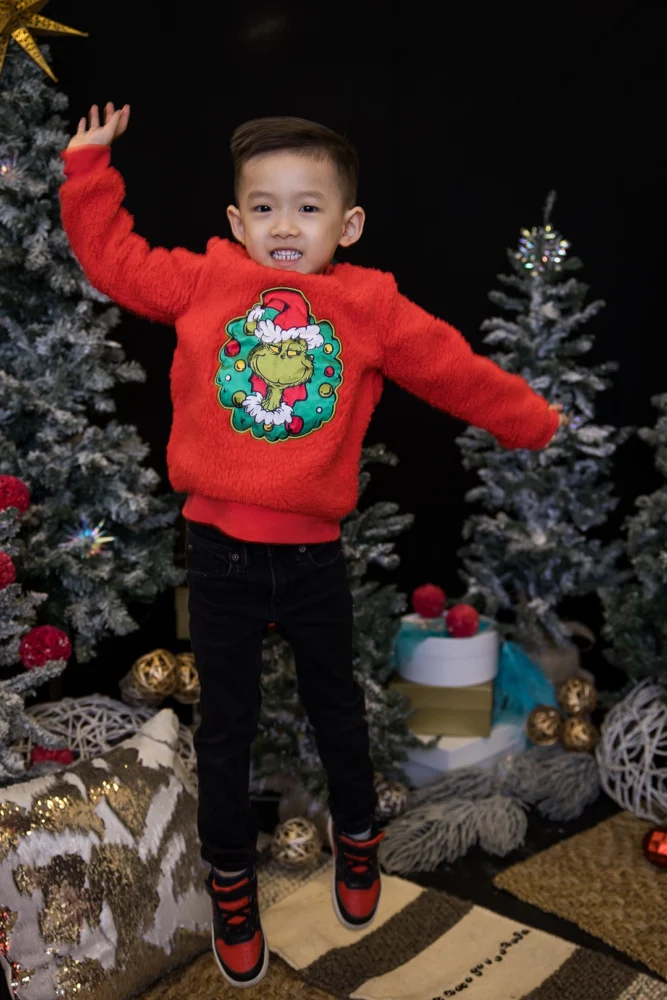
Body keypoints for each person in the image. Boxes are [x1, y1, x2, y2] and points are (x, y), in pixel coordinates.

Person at [59, 104, 567, 989]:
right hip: (217, 554)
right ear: (234, 221)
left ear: (347, 224)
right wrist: (88, 172)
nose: (283, 227)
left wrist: (531, 422)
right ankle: (230, 883)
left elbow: (451, 366)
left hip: (310, 561)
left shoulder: (367, 305)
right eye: (263, 208)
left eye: (305, 208)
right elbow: (116, 262)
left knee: (340, 715)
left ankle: (358, 839)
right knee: (226, 732)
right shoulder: (204, 281)